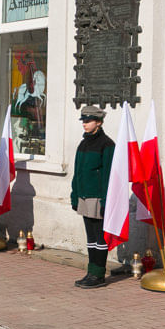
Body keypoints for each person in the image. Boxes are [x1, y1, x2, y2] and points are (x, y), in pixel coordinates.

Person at [70, 106, 115, 288]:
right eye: (83, 121)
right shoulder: (84, 143)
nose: (85, 124)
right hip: (84, 195)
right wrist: (75, 194)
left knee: (100, 237)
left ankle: (98, 274)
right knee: (90, 237)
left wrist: (105, 200)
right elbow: (77, 172)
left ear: (99, 122)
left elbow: (109, 176)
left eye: (88, 121)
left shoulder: (107, 144)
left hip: (98, 196)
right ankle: (91, 271)